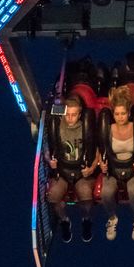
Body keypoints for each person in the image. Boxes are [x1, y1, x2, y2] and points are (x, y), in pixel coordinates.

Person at [46, 95, 98, 243]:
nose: (70, 118)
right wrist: (50, 160)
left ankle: (86, 219)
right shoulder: (57, 126)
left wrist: (92, 167)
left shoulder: (86, 128)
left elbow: (98, 150)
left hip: (81, 171)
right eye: (67, 114)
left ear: (79, 115)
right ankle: (64, 220)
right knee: (53, 196)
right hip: (63, 170)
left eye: (73, 115)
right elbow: (47, 149)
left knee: (86, 195)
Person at [98, 86, 134, 241]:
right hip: (114, 169)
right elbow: (101, 150)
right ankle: (112, 218)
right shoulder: (109, 129)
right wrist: (101, 163)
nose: (120, 117)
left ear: (129, 113)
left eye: (123, 113)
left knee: (133, 191)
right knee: (106, 193)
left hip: (133, 169)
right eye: (117, 114)